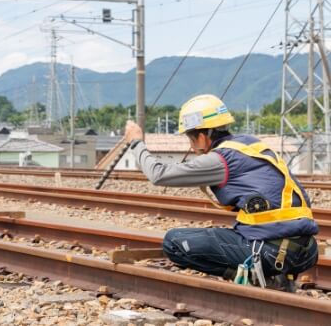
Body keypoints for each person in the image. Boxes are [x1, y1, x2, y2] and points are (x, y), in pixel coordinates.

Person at [124, 94, 318, 292]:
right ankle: (279, 275)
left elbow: (159, 175)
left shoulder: (221, 159)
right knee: (237, 229)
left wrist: (136, 143)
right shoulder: (249, 144)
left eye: (190, 139)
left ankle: (261, 278)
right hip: (307, 250)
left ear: (202, 136)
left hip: (272, 253)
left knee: (174, 242)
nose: (191, 146)